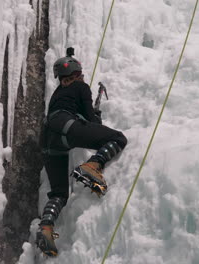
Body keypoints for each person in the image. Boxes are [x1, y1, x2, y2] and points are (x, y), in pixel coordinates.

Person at [36, 48, 128, 256]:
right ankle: (93, 165)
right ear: (76, 75)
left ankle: (46, 228)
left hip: (49, 139)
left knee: (59, 193)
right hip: (67, 126)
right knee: (118, 138)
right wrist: (96, 117)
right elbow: (90, 120)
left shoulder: (58, 94)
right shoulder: (82, 87)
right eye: (81, 75)